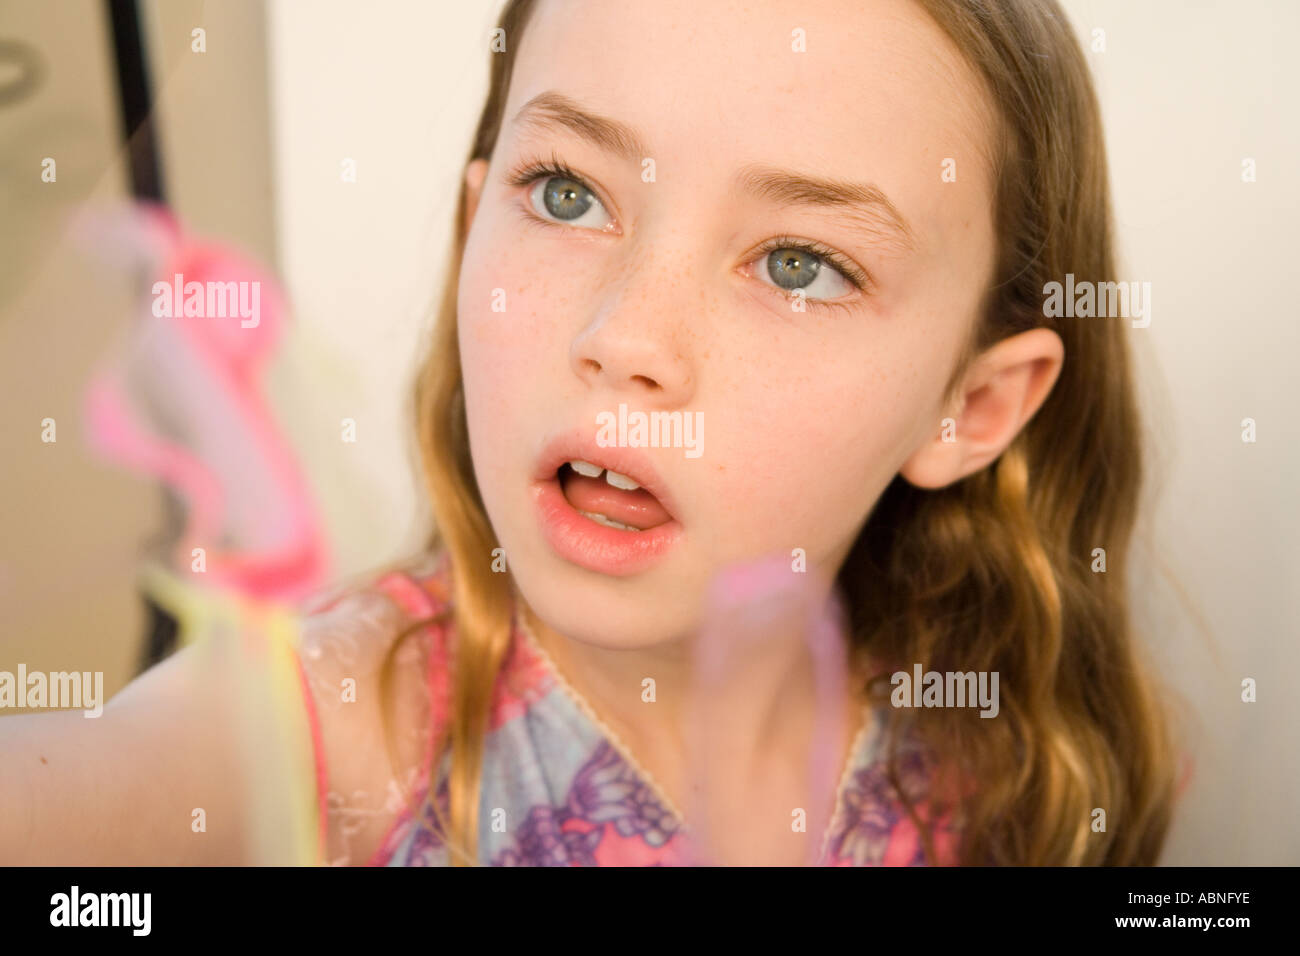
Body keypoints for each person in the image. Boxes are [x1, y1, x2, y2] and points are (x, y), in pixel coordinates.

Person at [0, 0, 1182, 866]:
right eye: (567, 193)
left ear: (970, 407)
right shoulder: (338, 727)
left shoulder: (1020, 746)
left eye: (799, 263)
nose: (626, 338)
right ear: (474, 234)